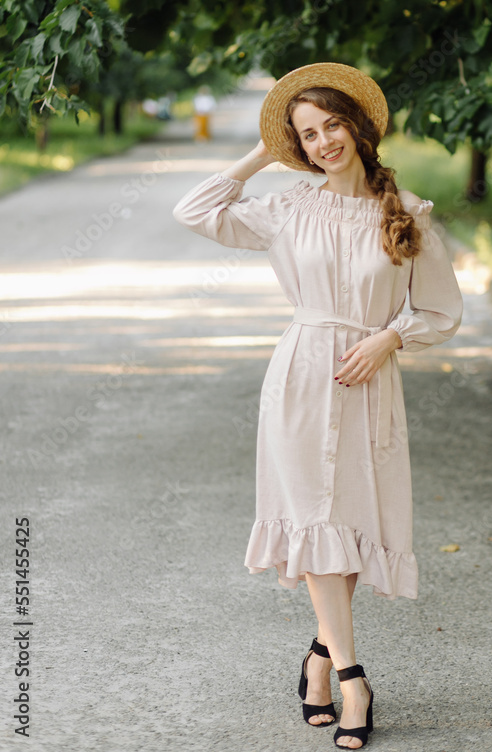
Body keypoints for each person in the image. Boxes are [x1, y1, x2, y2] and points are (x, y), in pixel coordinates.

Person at [172, 62, 463, 748]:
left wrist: (389, 338)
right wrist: (261, 152)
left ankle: (317, 660)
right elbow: (195, 211)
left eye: (332, 125)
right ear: (296, 149)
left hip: (367, 381)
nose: (323, 142)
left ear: (357, 128)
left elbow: (442, 309)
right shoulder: (286, 207)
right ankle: (353, 676)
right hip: (302, 380)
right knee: (318, 527)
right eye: (307, 135)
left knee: (350, 529)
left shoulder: (407, 213)